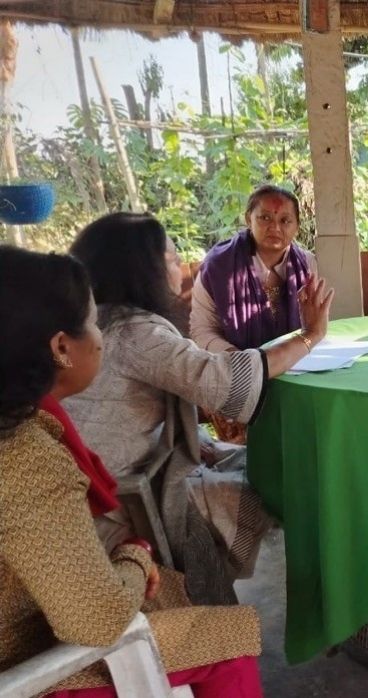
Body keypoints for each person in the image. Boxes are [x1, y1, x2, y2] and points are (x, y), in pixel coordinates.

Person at [0, 245, 263, 697]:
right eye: (93, 323)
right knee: (232, 635)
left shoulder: (26, 424)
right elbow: (98, 620)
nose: (101, 337)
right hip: (24, 662)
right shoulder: (26, 459)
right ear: (61, 347)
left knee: (177, 588)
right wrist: (135, 557)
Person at [64, 212, 334, 605]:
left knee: (248, 459)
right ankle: (210, 605)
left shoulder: (90, 322)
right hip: (113, 498)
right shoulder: (135, 331)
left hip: (91, 479)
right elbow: (223, 381)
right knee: (267, 479)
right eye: (172, 258)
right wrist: (311, 336)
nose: (180, 267)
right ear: (145, 270)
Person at [191, 183, 315, 352]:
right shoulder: (218, 267)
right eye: (265, 218)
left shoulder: (307, 265)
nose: (275, 228)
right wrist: (243, 361)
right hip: (235, 362)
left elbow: (315, 325)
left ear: (297, 226)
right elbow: (202, 330)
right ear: (249, 219)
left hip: (297, 359)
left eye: (285, 221)